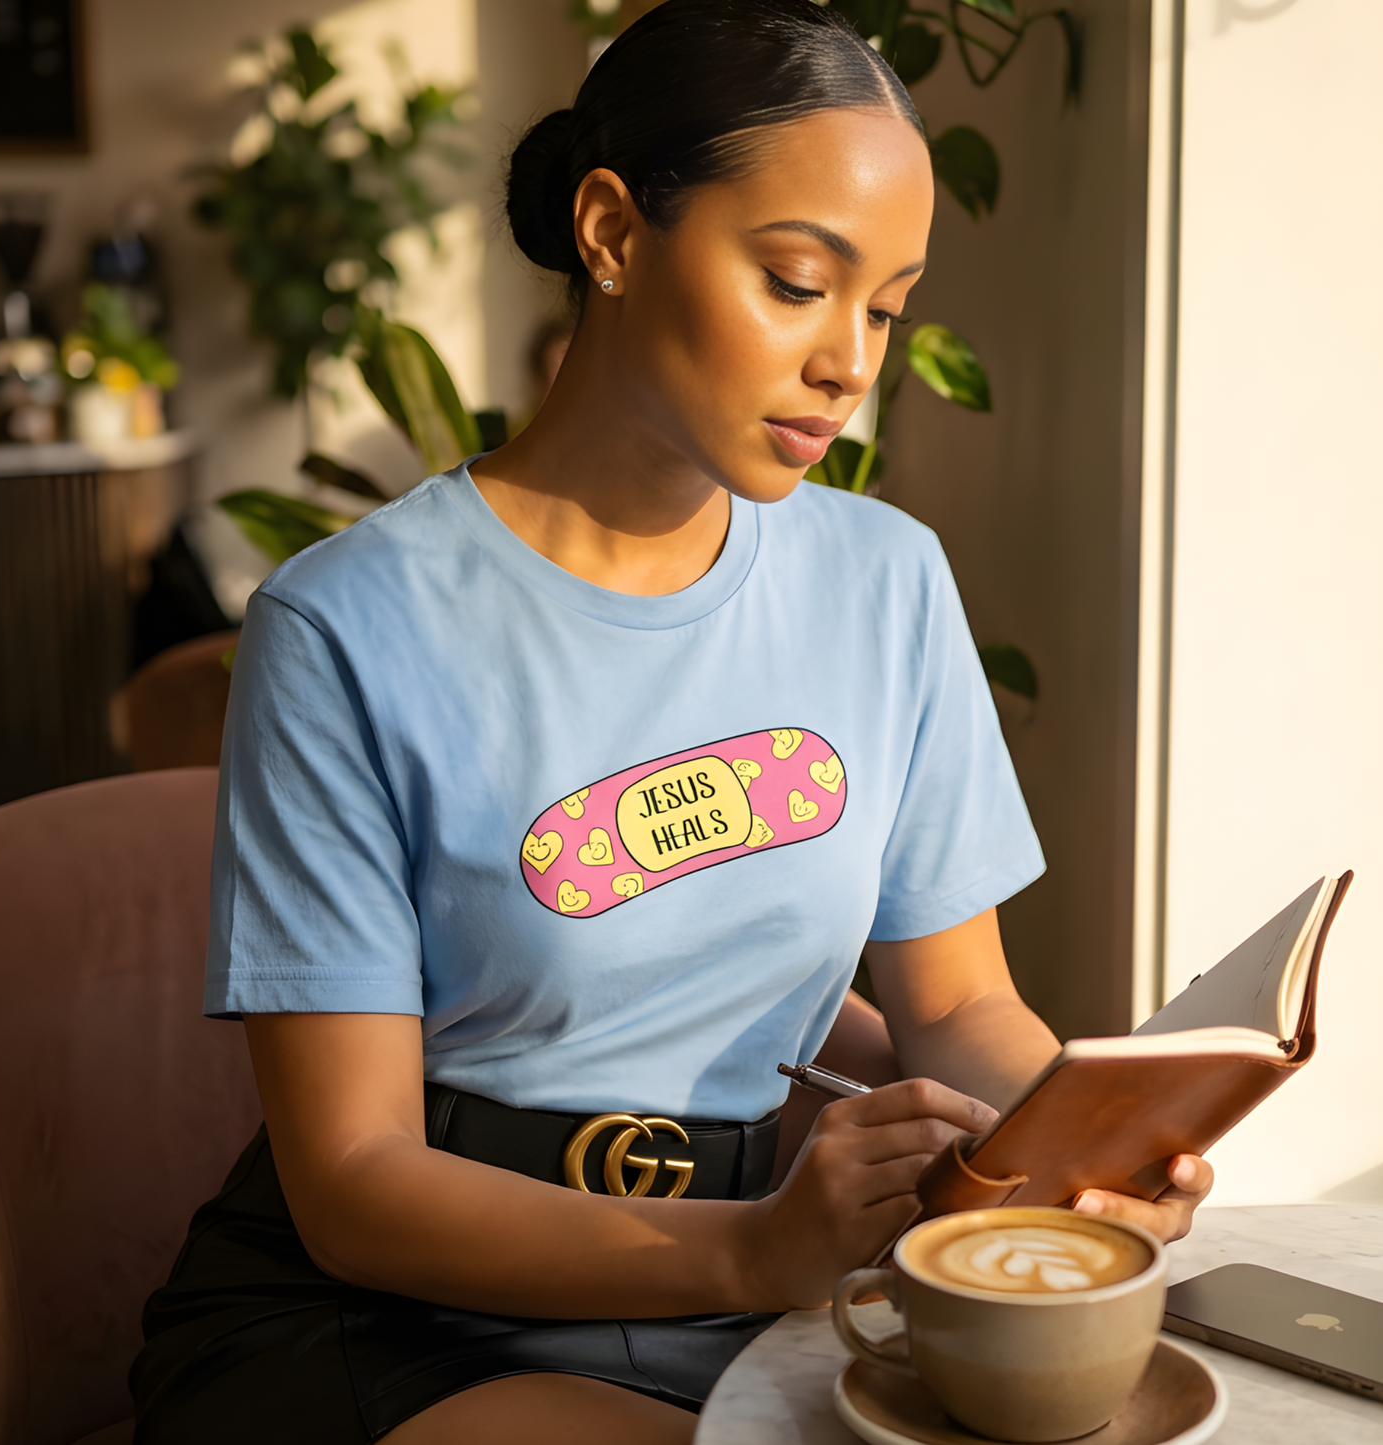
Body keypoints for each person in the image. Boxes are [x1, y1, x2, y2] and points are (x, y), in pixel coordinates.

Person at [130, 3, 1213, 1441]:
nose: (851, 361)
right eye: (795, 282)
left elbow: (955, 1010)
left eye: (884, 306)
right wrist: (759, 1248)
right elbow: (355, 1180)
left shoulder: (886, 582)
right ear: (615, 233)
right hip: (392, 1327)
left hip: (747, 1298)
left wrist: (1093, 1142)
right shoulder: (345, 627)